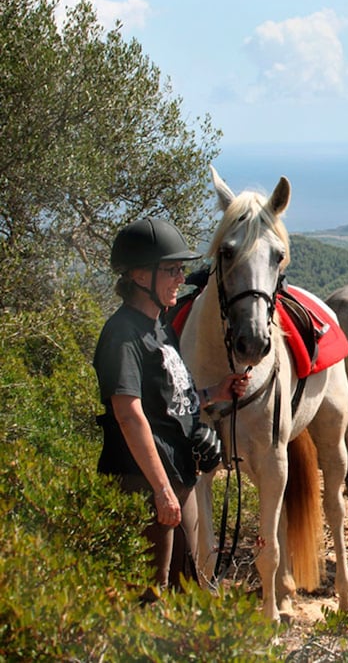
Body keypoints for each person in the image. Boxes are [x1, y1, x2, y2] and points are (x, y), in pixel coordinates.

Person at [93, 218, 249, 599]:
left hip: (178, 475)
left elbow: (171, 397)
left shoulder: (160, 327)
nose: (180, 277)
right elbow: (129, 415)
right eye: (171, 269)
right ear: (138, 275)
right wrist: (161, 490)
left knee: (189, 585)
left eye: (181, 269)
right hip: (142, 481)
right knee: (151, 595)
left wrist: (214, 392)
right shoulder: (122, 335)